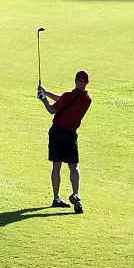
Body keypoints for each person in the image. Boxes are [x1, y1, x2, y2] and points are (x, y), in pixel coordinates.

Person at [37, 70, 91, 214]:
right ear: (86, 83)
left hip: (57, 133)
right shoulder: (87, 100)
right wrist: (47, 92)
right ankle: (76, 194)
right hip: (71, 135)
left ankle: (56, 198)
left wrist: (43, 98)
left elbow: (52, 110)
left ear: (75, 80)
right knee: (74, 167)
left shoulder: (68, 96)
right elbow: (64, 100)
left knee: (57, 166)